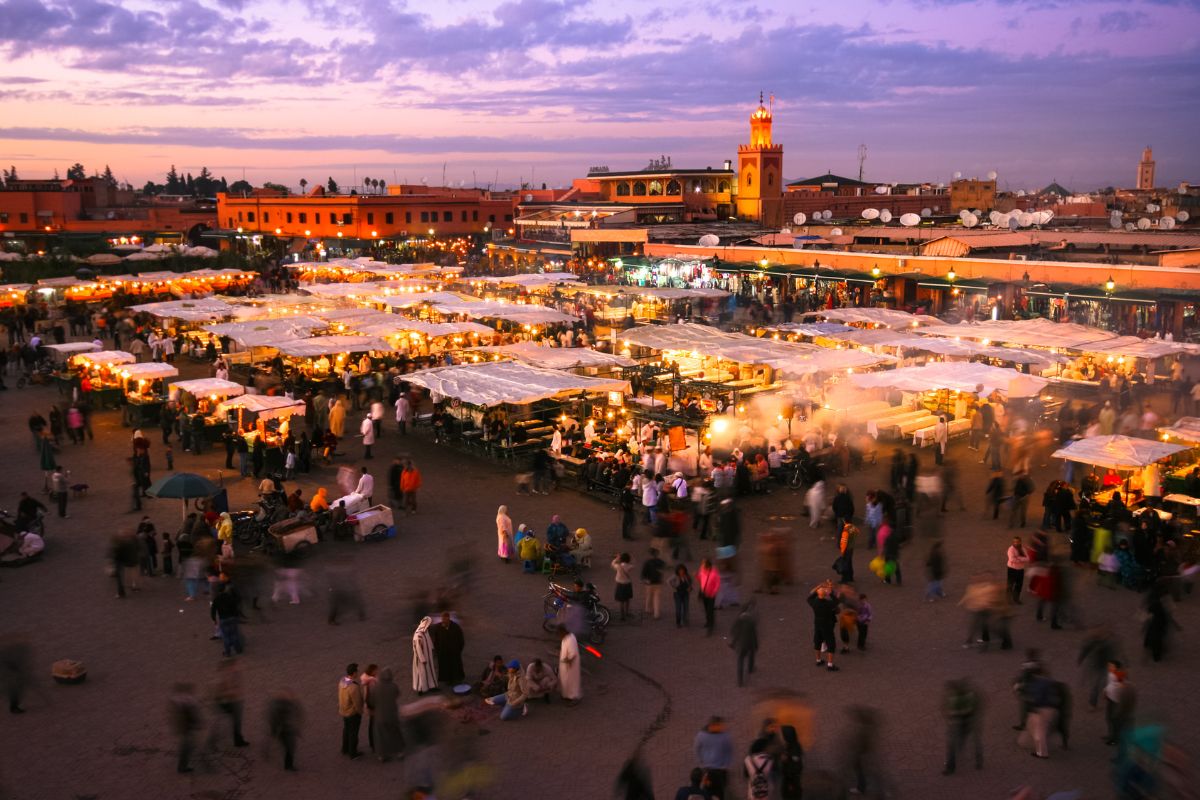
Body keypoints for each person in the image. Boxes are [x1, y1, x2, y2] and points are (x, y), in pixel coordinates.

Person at [942, 678, 983, 775]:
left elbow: (953, 713)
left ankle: (950, 768)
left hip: (958, 724)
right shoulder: (971, 695)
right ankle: (979, 760)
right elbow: (977, 706)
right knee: (975, 741)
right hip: (971, 722)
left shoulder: (955, 700)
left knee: (951, 745)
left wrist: (949, 717)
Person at [211, 658, 250, 749]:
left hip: (234, 701)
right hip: (229, 702)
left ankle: (238, 740)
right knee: (225, 724)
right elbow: (219, 693)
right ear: (230, 666)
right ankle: (214, 742)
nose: (237, 667)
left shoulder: (233, 674)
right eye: (235, 665)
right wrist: (233, 692)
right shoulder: (223, 677)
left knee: (234, 723)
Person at [693, 716, 733, 800]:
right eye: (720, 725)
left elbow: (729, 750)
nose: (722, 727)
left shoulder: (725, 736)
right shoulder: (701, 735)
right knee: (707, 792)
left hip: (721, 770)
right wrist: (701, 763)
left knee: (721, 792)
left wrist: (726, 764)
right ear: (712, 725)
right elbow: (697, 749)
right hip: (707, 771)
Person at [371, 667, 404, 762]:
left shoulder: (375, 687)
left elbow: (372, 701)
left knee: (380, 736)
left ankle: (382, 755)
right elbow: (397, 694)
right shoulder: (394, 686)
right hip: (392, 715)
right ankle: (400, 752)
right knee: (396, 733)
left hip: (380, 716)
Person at [168, 683, 202, 774]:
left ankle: (182, 766)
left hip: (185, 728)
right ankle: (182, 767)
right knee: (187, 746)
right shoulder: (186, 701)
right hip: (186, 728)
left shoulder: (178, 701)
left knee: (187, 745)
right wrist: (196, 723)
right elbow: (190, 715)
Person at [266, 689, 303, 771]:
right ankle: (288, 765)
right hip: (284, 730)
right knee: (290, 747)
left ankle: (288, 764)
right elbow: (275, 719)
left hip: (286, 730)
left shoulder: (286, 705)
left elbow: (296, 715)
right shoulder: (279, 707)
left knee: (289, 746)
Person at [808, 580, 840, 672]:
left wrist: (818, 588)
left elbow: (809, 597)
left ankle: (818, 660)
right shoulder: (828, 604)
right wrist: (830, 593)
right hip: (827, 625)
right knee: (831, 644)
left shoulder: (814, 603)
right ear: (825, 594)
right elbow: (836, 601)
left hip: (817, 624)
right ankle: (830, 665)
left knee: (817, 642)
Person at [430, 611, 465, 686]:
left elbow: (461, 640)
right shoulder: (438, 627)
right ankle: (447, 679)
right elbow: (436, 640)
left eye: (445, 620)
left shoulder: (455, 627)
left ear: (448, 619)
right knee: (445, 666)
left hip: (454, 652)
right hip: (443, 652)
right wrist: (437, 651)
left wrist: (458, 650)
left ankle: (457, 678)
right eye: (443, 620)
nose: (444, 622)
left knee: (455, 666)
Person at [730, 601, 759, 688]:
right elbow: (754, 635)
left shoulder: (739, 620)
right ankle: (750, 669)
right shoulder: (751, 622)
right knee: (751, 654)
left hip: (741, 644)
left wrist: (734, 642)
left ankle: (740, 680)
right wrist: (756, 644)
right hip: (749, 643)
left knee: (740, 660)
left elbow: (733, 631)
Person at [210, 582, 244, 657]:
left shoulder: (216, 599)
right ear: (225, 589)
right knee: (235, 634)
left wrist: (214, 620)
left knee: (226, 636)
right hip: (232, 618)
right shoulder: (229, 597)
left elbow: (213, 610)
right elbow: (235, 607)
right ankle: (238, 649)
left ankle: (228, 652)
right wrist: (236, 616)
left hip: (223, 619)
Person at [338, 663, 363, 759]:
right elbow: (357, 702)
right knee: (353, 733)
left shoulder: (342, 681)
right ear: (354, 673)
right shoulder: (354, 687)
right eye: (357, 671)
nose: (358, 673)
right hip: (353, 713)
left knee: (346, 730)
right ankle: (353, 753)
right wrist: (360, 712)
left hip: (344, 711)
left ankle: (345, 748)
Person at [412, 616, 438, 693]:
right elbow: (418, 648)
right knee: (422, 673)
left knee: (429, 671)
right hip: (422, 658)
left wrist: (432, 649)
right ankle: (421, 689)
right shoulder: (418, 635)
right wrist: (422, 659)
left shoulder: (425, 631)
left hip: (428, 655)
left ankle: (432, 686)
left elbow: (428, 641)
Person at [558, 625, 582, 705]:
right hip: (565, 665)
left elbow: (573, 653)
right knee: (565, 680)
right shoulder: (565, 638)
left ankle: (574, 697)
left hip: (571, 665)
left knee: (572, 681)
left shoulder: (570, 639)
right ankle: (567, 695)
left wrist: (567, 661)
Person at [641, 548, 665, 620]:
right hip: (658, 582)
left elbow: (643, 572)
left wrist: (644, 579)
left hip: (649, 582)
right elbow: (663, 570)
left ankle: (648, 609)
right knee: (657, 598)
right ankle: (656, 614)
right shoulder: (660, 562)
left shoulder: (647, 562)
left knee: (649, 596)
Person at [698, 557, 720, 635]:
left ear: (708, 565)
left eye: (703, 563)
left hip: (711, 595)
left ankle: (710, 626)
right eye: (702, 563)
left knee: (710, 609)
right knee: (706, 608)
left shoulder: (714, 573)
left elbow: (717, 583)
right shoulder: (702, 570)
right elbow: (700, 579)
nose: (702, 564)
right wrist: (696, 576)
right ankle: (708, 622)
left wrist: (713, 592)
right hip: (704, 593)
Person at [1006, 537, 1028, 604]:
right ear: (1013, 542)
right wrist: (1022, 559)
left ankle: (1016, 598)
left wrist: (1018, 558)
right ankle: (1008, 599)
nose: (1016, 543)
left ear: (1020, 542)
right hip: (1012, 569)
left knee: (1019, 585)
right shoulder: (1011, 549)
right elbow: (1012, 559)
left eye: (1018, 541)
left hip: (1020, 569)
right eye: (1015, 542)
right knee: (1010, 585)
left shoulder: (1023, 549)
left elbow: (1028, 558)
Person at [612, 552, 634, 621]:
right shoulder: (629, 566)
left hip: (620, 584)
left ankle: (622, 616)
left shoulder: (618, 566)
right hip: (627, 584)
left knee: (621, 601)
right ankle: (627, 612)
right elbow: (634, 564)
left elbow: (612, 564)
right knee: (627, 599)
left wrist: (617, 558)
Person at [670, 563, 693, 627]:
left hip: (686, 593)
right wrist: (674, 587)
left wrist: (690, 588)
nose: (681, 572)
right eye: (680, 570)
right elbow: (668, 581)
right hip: (677, 594)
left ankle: (685, 621)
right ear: (677, 570)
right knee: (678, 608)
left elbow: (690, 582)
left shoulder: (687, 576)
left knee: (686, 608)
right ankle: (678, 622)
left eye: (682, 570)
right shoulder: (675, 576)